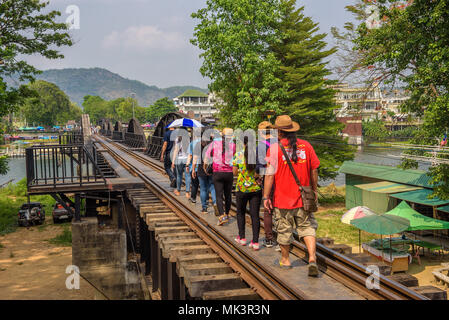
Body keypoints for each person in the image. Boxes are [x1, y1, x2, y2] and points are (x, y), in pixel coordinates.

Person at [263, 115, 320, 276]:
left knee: (284, 230)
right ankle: (312, 258)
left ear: (279, 132)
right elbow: (314, 170)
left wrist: (266, 196)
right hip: (303, 199)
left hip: (282, 199)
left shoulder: (274, 149)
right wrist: (314, 191)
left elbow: (269, 175)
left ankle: (286, 260)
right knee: (307, 228)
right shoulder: (306, 146)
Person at [233, 136, 262, 250]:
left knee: (240, 213)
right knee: (255, 215)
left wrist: (241, 171)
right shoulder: (257, 155)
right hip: (255, 189)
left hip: (242, 189)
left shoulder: (238, 155)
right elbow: (260, 171)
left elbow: (234, 173)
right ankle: (255, 242)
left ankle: (243, 238)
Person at [205, 128, 236, 225]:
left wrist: (205, 168)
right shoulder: (233, 145)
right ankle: (227, 214)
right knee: (228, 195)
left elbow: (206, 157)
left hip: (217, 172)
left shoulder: (214, 144)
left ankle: (222, 215)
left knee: (219, 195)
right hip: (229, 173)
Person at [256, 121, 277, 249]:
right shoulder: (279, 143)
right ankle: (283, 239)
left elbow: (259, 166)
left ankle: (269, 239)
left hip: (268, 179)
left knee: (268, 209)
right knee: (281, 209)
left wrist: (259, 177)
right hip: (282, 178)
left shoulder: (261, 147)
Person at [192, 135, 217, 214]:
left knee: (203, 189)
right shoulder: (214, 144)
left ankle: (204, 208)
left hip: (201, 169)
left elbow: (195, 159)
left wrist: (193, 169)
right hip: (211, 169)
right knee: (212, 187)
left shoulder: (198, 145)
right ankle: (215, 203)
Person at [171, 131, 191, 197]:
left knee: (179, 176)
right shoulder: (188, 139)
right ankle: (187, 193)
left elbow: (176, 150)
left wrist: (173, 161)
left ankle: (178, 191)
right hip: (186, 159)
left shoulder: (177, 139)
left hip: (179, 159)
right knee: (187, 176)